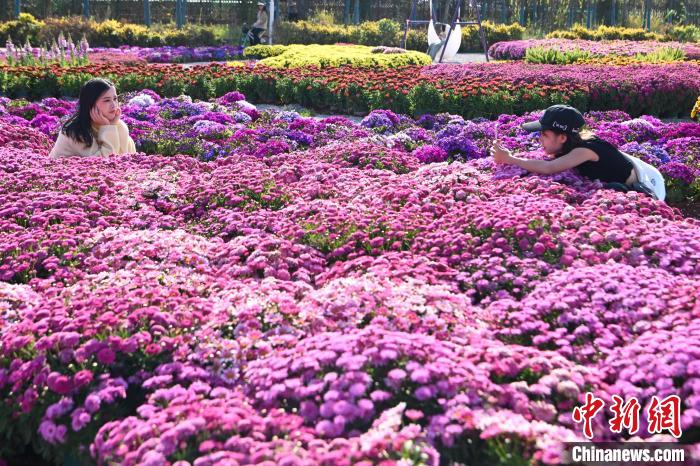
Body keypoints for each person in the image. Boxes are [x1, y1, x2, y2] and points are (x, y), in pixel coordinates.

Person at [490, 104, 647, 192]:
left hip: (632, 188)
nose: (540, 139)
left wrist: (509, 159)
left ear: (563, 138)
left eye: (544, 134)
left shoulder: (584, 150)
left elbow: (549, 168)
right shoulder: (572, 144)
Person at [49, 78, 135, 159]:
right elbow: (103, 163)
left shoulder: (118, 125)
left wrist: (111, 126)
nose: (114, 105)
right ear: (91, 104)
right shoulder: (75, 132)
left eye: (115, 99)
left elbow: (128, 161)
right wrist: (108, 127)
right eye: (106, 100)